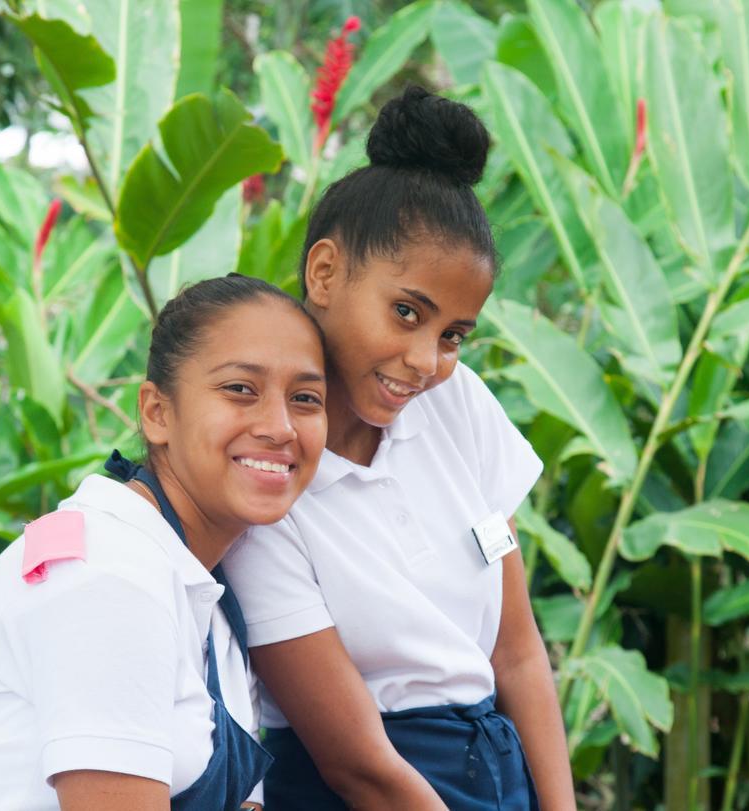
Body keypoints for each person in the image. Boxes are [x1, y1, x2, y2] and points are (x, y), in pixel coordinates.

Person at [221, 87, 577, 811]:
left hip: (498, 768)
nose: (427, 359)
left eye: (452, 334)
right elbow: (358, 763)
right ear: (324, 272)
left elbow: (516, 651)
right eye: (407, 312)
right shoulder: (265, 464)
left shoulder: (458, 404)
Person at [0, 274, 328, 811]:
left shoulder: (209, 591)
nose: (280, 426)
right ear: (157, 412)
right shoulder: (107, 575)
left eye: (306, 398)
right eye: (240, 389)